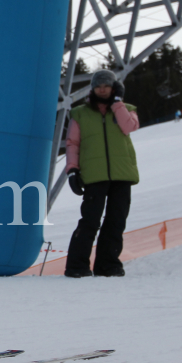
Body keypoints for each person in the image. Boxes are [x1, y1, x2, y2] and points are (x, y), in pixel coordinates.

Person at [64, 70, 140, 278]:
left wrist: (117, 104)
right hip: (94, 176)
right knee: (90, 220)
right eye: (99, 86)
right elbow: (72, 144)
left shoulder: (127, 110)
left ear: (114, 88)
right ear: (93, 89)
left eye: (107, 85)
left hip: (121, 175)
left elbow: (129, 127)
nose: (103, 89)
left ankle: (108, 266)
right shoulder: (80, 113)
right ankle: (76, 267)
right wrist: (72, 170)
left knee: (116, 221)